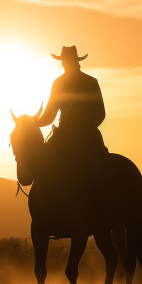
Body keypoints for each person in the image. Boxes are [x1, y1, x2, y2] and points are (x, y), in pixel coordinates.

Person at [36, 45, 109, 221]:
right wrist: (33, 123)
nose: (65, 65)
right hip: (62, 135)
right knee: (41, 161)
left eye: (67, 61)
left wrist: (85, 127)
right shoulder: (57, 83)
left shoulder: (90, 82)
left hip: (87, 135)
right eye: (63, 62)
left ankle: (103, 205)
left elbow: (100, 113)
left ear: (75, 62)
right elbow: (50, 113)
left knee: (99, 167)